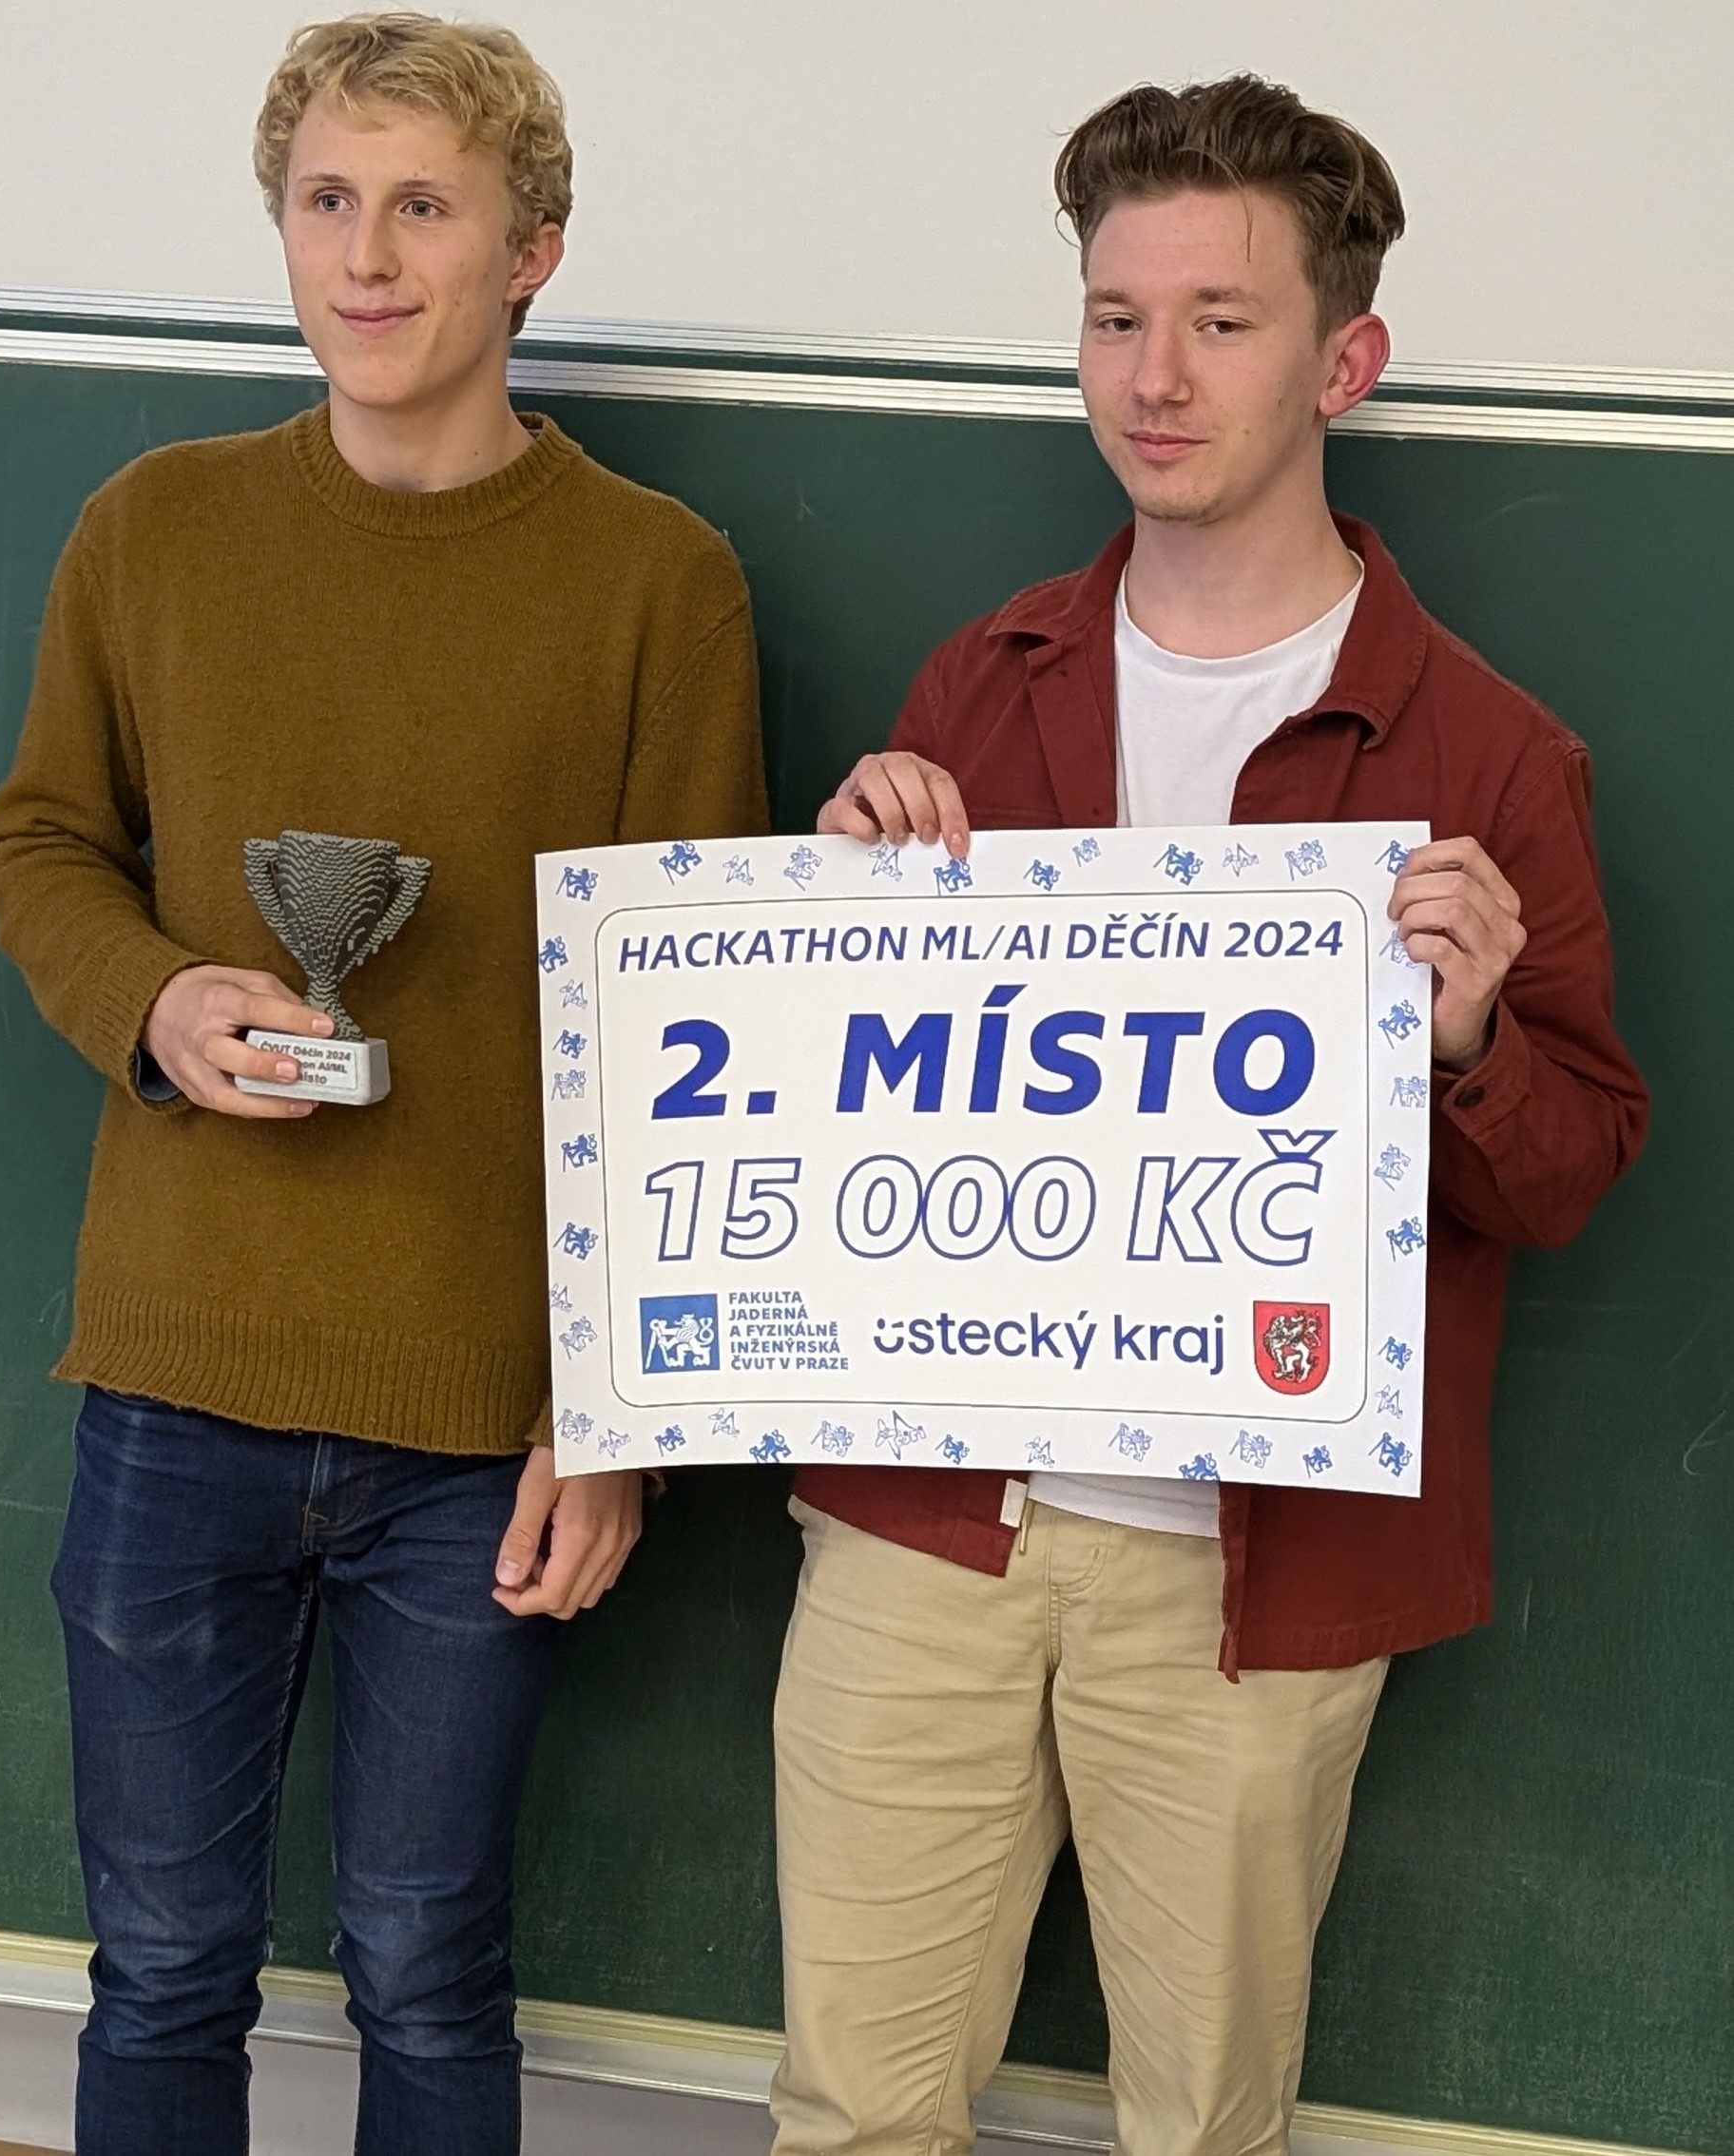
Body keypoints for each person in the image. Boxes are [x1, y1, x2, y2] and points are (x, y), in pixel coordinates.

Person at [778, 75, 1646, 2156]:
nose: (1152, 377)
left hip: (1258, 1573)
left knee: (1203, 2128)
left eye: (1219, 321)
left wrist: (1466, 1040)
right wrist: (839, 915)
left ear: (1345, 361)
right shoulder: (981, 682)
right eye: (1114, 317)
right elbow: (845, 1117)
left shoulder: (1487, 753)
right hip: (930, 1523)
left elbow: (1570, 1174)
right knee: (852, 2113)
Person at [0, 14, 764, 2153]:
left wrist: (611, 1421)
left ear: (532, 252)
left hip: (479, 1428)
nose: (367, 254)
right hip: (175, 1383)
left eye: (424, 205)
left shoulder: (659, 583)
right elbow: (41, 843)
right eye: (327, 200)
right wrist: (158, 1004)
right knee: (159, 1968)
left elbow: (690, 1035)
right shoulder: (152, 530)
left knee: (429, 1973)